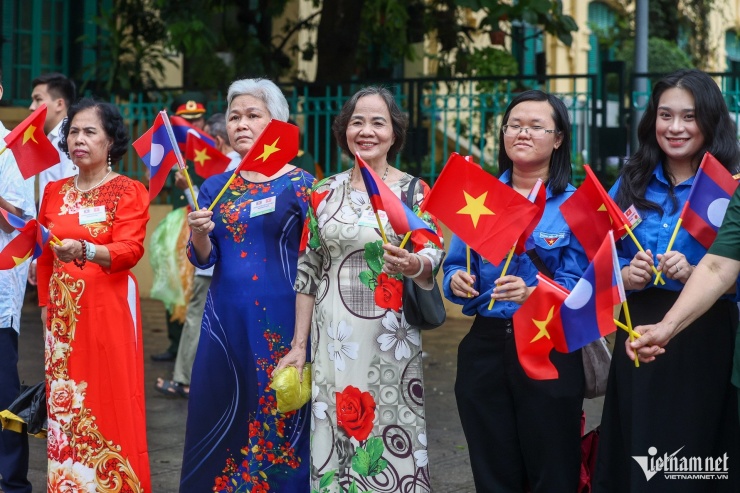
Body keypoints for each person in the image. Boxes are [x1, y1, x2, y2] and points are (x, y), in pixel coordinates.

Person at [277, 86, 445, 492]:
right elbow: (308, 269)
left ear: (393, 133)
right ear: (344, 130)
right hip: (332, 335)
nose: (366, 131)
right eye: (357, 122)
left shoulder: (413, 192)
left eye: (377, 122)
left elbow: (433, 253)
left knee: (390, 423)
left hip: (391, 337)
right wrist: (300, 346)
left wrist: (414, 263)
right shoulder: (323, 192)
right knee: (334, 429)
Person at [593, 69, 740, 493]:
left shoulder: (728, 186)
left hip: (704, 335)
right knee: (638, 446)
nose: (675, 128)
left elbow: (729, 273)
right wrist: (624, 275)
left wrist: (696, 274)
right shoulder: (631, 181)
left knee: (692, 457)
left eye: (689, 117)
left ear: (710, 120)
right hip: (637, 333)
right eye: (665, 115)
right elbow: (599, 262)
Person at [443, 90, 588, 492]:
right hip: (486, 347)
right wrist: (455, 280)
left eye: (536, 126)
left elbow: (583, 288)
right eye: (514, 125)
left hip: (547, 348)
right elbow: (455, 264)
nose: (522, 133)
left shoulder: (576, 206)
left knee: (552, 468)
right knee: (493, 468)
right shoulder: (481, 197)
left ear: (558, 138)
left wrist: (533, 292)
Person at [181, 78, 313, 491]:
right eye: (235, 116)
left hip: (284, 318)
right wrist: (199, 232)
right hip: (224, 321)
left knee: (279, 412)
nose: (241, 124)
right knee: (221, 409)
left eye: (253, 115)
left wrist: (303, 339)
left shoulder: (303, 185)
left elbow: (316, 260)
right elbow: (204, 257)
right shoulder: (215, 188)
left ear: (276, 123)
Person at [37, 98, 151, 491]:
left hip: (109, 308)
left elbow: (130, 250)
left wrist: (86, 250)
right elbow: (44, 252)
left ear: (111, 140)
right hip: (63, 321)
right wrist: (44, 307)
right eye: (73, 132)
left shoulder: (128, 190)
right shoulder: (53, 191)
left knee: (113, 398)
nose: (79, 139)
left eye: (90, 132)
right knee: (65, 409)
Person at [155, 113, 241, 398]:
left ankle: (184, 379)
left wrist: (186, 191)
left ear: (217, 140)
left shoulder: (230, 169)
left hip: (215, 261)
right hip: (222, 260)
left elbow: (210, 217)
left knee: (196, 317)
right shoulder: (239, 168)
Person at [0, 68, 36, 493]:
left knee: (4, 393)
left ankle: (12, 482)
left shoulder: (11, 149)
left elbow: (22, 220)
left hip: (0, 290)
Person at [28, 72, 77, 286]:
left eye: (38, 99)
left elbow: (69, 196)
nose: (31, 107)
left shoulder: (69, 139)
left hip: (65, 240)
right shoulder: (49, 138)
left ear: (59, 104)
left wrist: (42, 254)